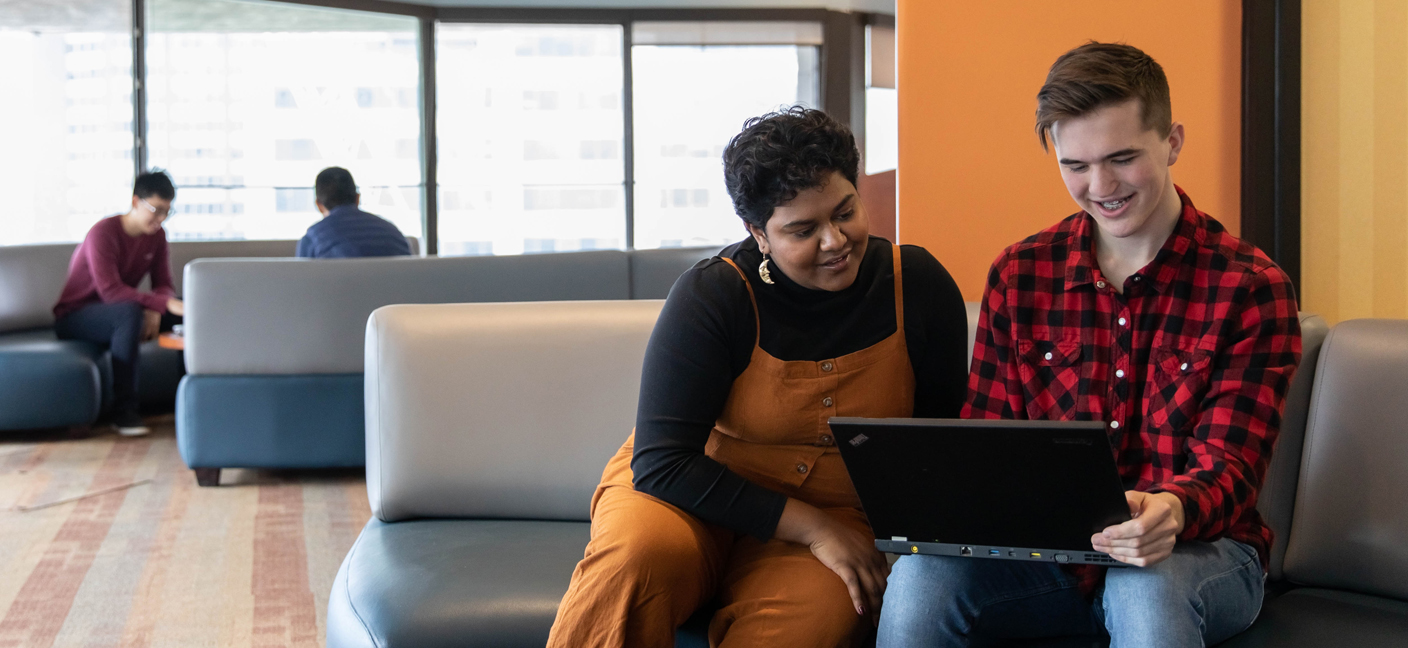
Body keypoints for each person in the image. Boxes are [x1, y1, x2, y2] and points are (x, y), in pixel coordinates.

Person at [877, 43, 1302, 647]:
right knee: (920, 579)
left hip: (1200, 554)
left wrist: (1172, 511)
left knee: (1142, 584)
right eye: (1075, 165)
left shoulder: (1250, 287)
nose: (1100, 185)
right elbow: (989, 445)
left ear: (1173, 141)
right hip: (1048, 565)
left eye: (1122, 158)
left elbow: (1231, 468)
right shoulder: (1020, 274)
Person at [547, 107, 969, 648]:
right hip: (685, 495)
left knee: (811, 624)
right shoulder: (714, 295)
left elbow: (938, 445)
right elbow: (662, 462)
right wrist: (815, 530)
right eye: (803, 229)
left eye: (845, 212)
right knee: (636, 561)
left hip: (841, 509)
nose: (835, 240)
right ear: (758, 233)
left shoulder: (919, 286)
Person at [54, 170, 186, 437]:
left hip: (122, 311)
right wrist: (157, 304)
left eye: (167, 212)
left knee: (185, 309)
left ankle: (188, 401)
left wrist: (155, 307)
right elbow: (110, 292)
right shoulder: (103, 233)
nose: (160, 219)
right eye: (156, 210)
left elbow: (164, 284)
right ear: (136, 202)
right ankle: (124, 411)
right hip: (76, 316)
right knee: (127, 313)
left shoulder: (157, 236)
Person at [295, 167, 412, 258]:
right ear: (357, 198)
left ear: (319, 205)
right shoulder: (393, 233)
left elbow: (301, 284)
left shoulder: (313, 238)